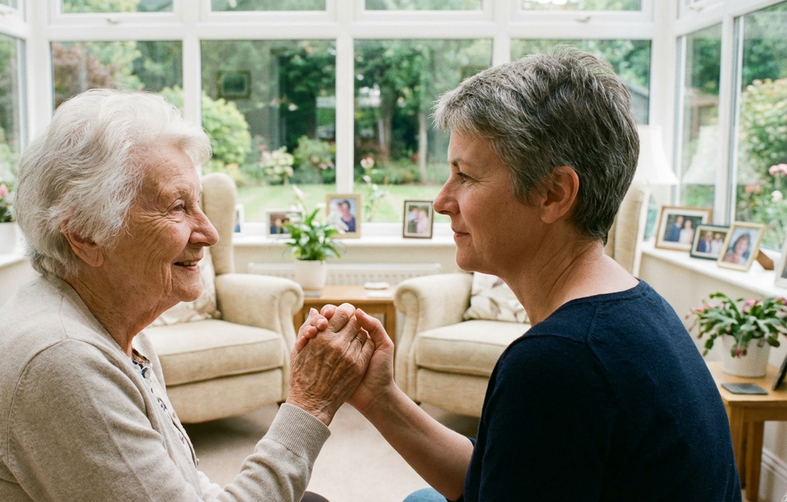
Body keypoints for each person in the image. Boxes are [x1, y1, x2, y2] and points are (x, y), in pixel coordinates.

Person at [302, 47, 740, 501]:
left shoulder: (559, 363)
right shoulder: (637, 305)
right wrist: (381, 398)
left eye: (465, 176)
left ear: (553, 194)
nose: (441, 202)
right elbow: (507, 472)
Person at [0, 89, 373, 502]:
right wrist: (308, 405)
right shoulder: (61, 359)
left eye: (198, 204)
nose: (210, 233)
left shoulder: (118, 328)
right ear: (84, 233)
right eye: (178, 207)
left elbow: (182, 484)